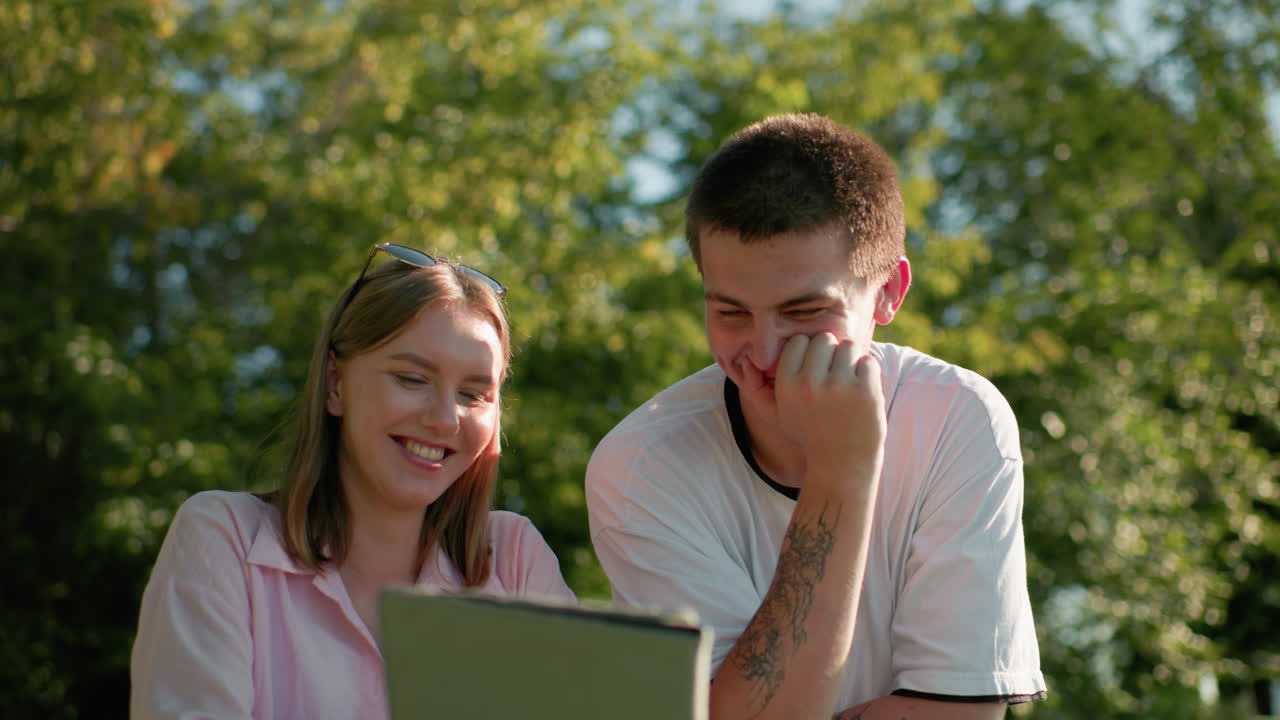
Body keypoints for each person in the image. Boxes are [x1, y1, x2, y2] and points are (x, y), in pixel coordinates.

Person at [586, 113, 1046, 720]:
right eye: (730, 313)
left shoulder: (959, 418)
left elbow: (959, 712)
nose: (765, 351)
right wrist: (841, 473)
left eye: (804, 312)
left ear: (889, 293)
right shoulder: (640, 465)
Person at [131, 243, 575, 719]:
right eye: (411, 378)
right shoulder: (225, 540)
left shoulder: (514, 561)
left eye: (473, 393)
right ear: (335, 384)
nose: (446, 419)